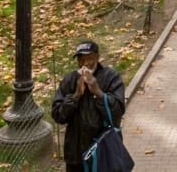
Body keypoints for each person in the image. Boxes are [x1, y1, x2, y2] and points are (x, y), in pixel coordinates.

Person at [51, 40, 127, 172]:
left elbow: (118, 110)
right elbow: (58, 115)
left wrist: (98, 92)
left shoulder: (111, 77)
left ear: (97, 58)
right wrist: (76, 96)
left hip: (103, 150)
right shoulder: (69, 80)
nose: (85, 64)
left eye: (90, 59)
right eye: (81, 60)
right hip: (76, 155)